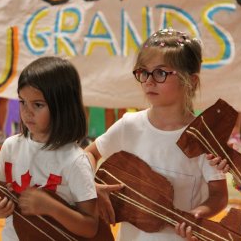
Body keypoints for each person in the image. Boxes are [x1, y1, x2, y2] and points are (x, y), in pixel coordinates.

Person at [84, 28, 228, 241]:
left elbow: (219, 196)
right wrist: (90, 184)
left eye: (161, 73)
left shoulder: (202, 137)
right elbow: (89, 153)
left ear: (192, 81)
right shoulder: (129, 125)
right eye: (143, 72)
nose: (149, 81)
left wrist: (198, 215)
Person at [0, 56, 99, 240]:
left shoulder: (75, 160)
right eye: (22, 102)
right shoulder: (10, 146)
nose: (27, 111)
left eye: (38, 105)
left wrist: (51, 207)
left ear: (62, 107)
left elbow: (90, 227)